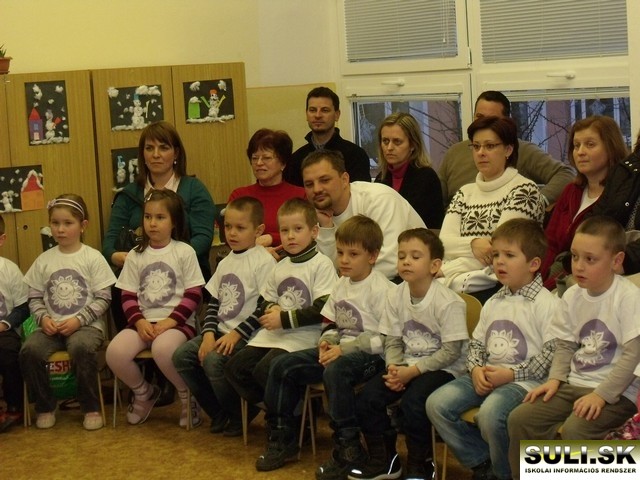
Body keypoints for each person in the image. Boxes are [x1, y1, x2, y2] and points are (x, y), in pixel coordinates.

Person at [255, 215, 393, 477]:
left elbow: (384, 340)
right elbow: (330, 322)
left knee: (336, 371)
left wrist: (343, 350)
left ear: (373, 256)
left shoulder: (383, 289)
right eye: (340, 253)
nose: (344, 260)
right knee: (282, 365)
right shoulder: (341, 284)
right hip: (338, 351)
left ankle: (348, 448)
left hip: (371, 355)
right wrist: (326, 342)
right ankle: (283, 438)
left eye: (353, 254)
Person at [507, 216, 640, 480]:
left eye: (590, 259)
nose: (578, 266)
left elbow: (633, 355)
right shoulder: (571, 294)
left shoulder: (629, 297)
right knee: (520, 419)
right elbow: (565, 344)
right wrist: (555, 379)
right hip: (574, 385)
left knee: (575, 432)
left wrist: (601, 395)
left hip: (618, 393)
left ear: (616, 261)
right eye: (575, 256)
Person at [427, 219, 558, 480]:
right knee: (436, 404)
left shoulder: (547, 304)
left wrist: (511, 375)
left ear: (533, 264)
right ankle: (485, 464)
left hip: (524, 383)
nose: (499, 262)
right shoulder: (494, 301)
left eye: (509, 255)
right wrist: (475, 369)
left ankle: (504, 473)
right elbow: (477, 343)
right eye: (496, 255)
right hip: (487, 375)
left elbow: (550, 355)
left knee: (490, 415)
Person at [348, 228, 467, 480]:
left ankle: (420, 465)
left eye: (415, 256)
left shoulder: (449, 302)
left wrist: (411, 372)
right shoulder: (395, 294)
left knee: (414, 403)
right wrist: (394, 367)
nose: (406, 262)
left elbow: (451, 351)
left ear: (434, 266)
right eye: (401, 256)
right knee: (368, 398)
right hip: (406, 366)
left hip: (444, 368)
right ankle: (385, 461)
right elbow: (392, 339)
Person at [224, 198, 337, 423]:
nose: (290, 236)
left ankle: (286, 420)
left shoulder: (321, 264)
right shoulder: (280, 265)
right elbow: (264, 301)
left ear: (314, 232)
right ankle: (287, 409)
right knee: (235, 368)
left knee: (265, 369)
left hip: (303, 336)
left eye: (298, 229)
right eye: (285, 230)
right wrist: (271, 307)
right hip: (274, 335)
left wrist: (283, 319)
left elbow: (323, 308)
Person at [172, 197, 276, 437]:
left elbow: (265, 307)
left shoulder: (264, 262)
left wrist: (236, 334)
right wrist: (208, 334)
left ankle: (240, 413)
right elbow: (214, 303)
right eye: (227, 226)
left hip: (248, 336)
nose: (232, 233)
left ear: (258, 230)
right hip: (220, 331)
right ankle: (219, 412)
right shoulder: (225, 261)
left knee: (213, 361)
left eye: (240, 228)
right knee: (182, 357)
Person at [105, 190, 205, 428]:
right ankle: (144, 392)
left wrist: (170, 322)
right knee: (114, 353)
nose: (152, 223)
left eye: (160, 217)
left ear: (174, 222)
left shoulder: (184, 251)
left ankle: (187, 395)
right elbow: (127, 295)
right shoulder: (135, 255)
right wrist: (139, 322)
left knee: (163, 349)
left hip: (178, 325)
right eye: (148, 217)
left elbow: (194, 294)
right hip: (143, 323)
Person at [102, 120, 214, 329]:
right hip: (139, 274)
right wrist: (116, 256)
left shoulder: (194, 189)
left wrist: (170, 257)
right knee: (119, 288)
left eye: (163, 148)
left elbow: (204, 237)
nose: (156, 154)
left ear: (176, 153)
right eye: (149, 148)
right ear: (142, 154)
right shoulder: (128, 195)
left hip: (184, 272)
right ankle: (136, 337)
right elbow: (109, 243)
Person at [19, 194, 117, 431]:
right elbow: (34, 297)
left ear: (83, 225)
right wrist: (43, 318)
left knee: (81, 348)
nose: (60, 229)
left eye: (67, 223)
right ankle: (45, 405)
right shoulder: (44, 260)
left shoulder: (92, 258)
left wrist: (79, 320)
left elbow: (104, 298)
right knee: (29, 351)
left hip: (86, 327)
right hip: (51, 328)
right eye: (55, 223)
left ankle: (90, 406)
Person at [438, 115, 546, 302]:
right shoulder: (464, 192)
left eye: (489, 146)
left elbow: (499, 252)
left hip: (503, 287)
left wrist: (446, 270)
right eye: (476, 146)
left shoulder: (524, 190)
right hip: (457, 281)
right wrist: (473, 244)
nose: (481, 152)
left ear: (508, 150)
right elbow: (444, 244)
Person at [302, 150, 425, 280]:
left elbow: (389, 264)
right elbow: (325, 272)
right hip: (358, 286)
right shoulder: (314, 216)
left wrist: (343, 284)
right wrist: (326, 228)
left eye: (325, 180)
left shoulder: (379, 199)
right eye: (309, 184)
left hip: (410, 280)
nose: (317, 189)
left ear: (344, 180)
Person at [438, 90, 574, 207]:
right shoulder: (454, 153)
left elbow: (566, 174)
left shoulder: (523, 151)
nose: (484, 123)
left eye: (492, 119)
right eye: (479, 117)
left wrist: (536, 202)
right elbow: (438, 199)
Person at [541, 116, 628, 290]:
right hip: (552, 276)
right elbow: (550, 243)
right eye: (576, 145)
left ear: (611, 148)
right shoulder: (571, 191)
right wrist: (537, 282)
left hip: (590, 282)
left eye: (590, 144)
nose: (580, 152)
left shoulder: (621, 195)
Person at [228, 129, 306, 248]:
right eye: (254, 158)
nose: (259, 163)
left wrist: (271, 238)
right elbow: (231, 235)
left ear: (283, 163)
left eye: (266, 158)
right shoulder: (239, 196)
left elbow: (308, 234)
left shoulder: (300, 196)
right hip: (249, 256)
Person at [284, 86, 371, 187]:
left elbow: (361, 194)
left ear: (337, 115)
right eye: (312, 110)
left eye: (325, 110)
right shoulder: (295, 159)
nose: (317, 115)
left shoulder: (356, 155)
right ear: (306, 114)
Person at [374, 112, 444, 228]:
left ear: (413, 145)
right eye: (385, 141)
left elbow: (430, 225)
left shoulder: (426, 178)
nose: (389, 148)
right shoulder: (381, 179)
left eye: (397, 141)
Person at [591, 128, 640, 275]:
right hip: (609, 258)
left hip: (625, 263)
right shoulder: (624, 169)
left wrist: (619, 261)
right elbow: (597, 218)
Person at [0, 215, 30, 433]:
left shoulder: (9, 270)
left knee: (8, 353)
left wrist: (5, 324)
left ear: (2, 239)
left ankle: (14, 406)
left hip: (4, 331)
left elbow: (23, 307)